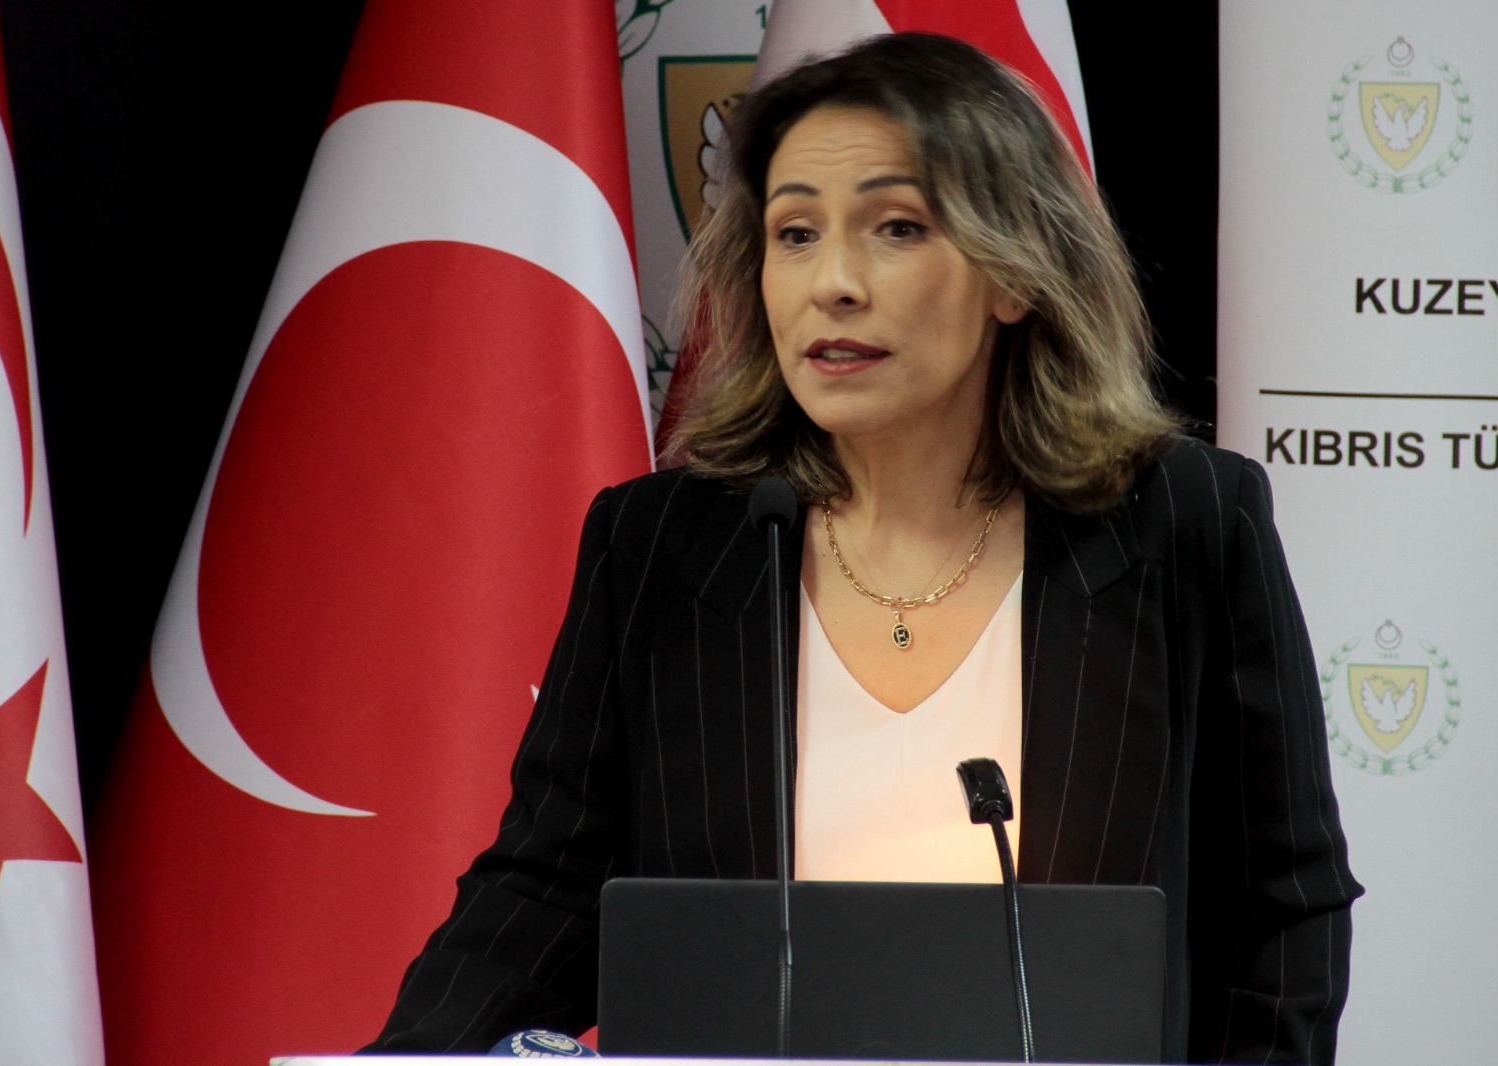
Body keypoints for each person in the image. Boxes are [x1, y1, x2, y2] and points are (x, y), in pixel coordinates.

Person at [363, 33, 1361, 1063]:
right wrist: (398, 1062)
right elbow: (544, 890)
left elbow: (1280, 909)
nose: (833, 282)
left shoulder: (1183, 522)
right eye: (794, 234)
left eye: (896, 228)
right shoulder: (663, 543)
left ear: (1012, 274)